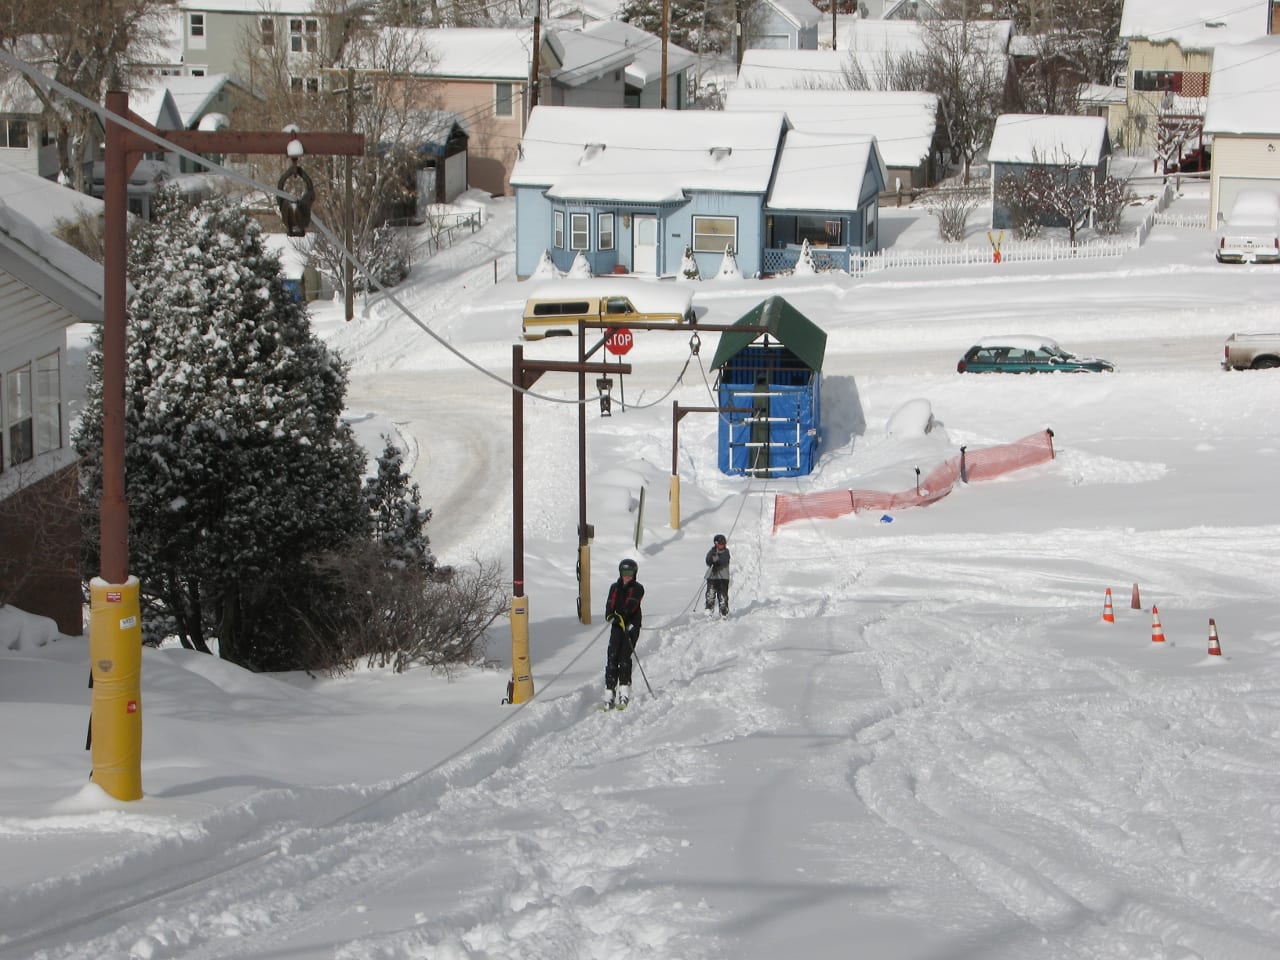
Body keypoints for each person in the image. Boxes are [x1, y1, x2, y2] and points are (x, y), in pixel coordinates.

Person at [603, 558, 644, 709]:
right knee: (612, 656)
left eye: (630, 573)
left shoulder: (638, 587)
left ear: (634, 574)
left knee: (624, 657)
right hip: (617, 625)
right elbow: (610, 602)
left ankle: (624, 691)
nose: (627, 576)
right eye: (624, 572)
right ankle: (609, 691)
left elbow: (632, 603)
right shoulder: (615, 587)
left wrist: (623, 615)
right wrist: (609, 614)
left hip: (631, 626)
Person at [705, 534, 730, 618]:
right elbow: (708, 560)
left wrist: (716, 563)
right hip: (712, 577)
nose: (722, 545)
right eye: (720, 543)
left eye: (723, 543)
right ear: (716, 543)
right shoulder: (712, 551)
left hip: (723, 578)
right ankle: (709, 609)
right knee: (710, 594)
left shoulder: (726, 552)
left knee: (722, 595)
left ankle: (723, 612)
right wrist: (711, 560)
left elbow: (724, 560)